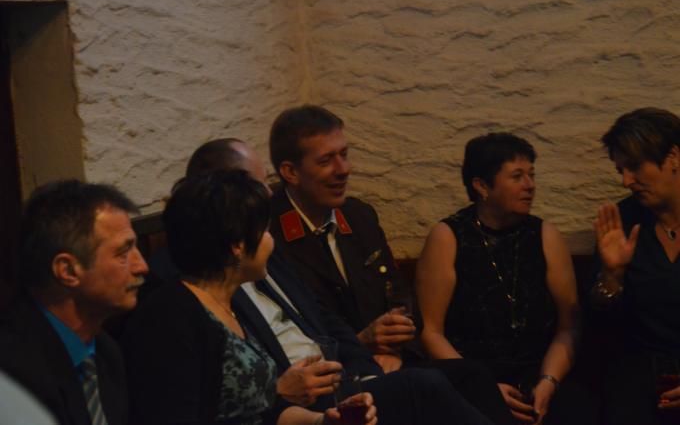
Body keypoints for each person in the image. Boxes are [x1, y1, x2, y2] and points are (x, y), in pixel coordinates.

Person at [147, 137, 498, 425]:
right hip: (308, 395)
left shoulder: (237, 283)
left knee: (468, 375)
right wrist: (286, 395)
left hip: (329, 388)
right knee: (423, 386)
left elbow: (323, 321)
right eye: (257, 186)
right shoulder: (181, 300)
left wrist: (361, 378)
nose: (269, 195)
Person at [267, 107, 513, 424]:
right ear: (290, 172)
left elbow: (398, 295)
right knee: (427, 386)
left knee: (472, 375)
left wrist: (394, 348)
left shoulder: (359, 216)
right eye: (326, 161)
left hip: (390, 363)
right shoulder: (271, 238)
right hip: (335, 379)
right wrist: (363, 344)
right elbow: (300, 331)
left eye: (344, 155)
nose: (344, 169)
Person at [121, 170, 377, 425]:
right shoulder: (172, 315)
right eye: (265, 231)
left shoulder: (224, 304)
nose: (271, 241)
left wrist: (323, 421)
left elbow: (265, 410)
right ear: (237, 245)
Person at [416, 133, 580, 424]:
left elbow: (569, 327)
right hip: (472, 377)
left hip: (541, 373)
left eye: (531, 175)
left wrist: (549, 381)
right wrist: (481, 387)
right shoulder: (448, 236)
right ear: (481, 186)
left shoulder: (545, 235)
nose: (530, 185)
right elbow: (431, 332)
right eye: (517, 176)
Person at [0, 179, 149, 425]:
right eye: (123, 253)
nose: (141, 266)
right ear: (68, 271)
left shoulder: (105, 350)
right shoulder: (13, 373)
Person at [592, 107, 680, 425]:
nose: (626, 181)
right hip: (642, 374)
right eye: (621, 170)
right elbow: (600, 330)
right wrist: (612, 276)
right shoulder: (624, 222)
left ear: (673, 157)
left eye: (634, 167)